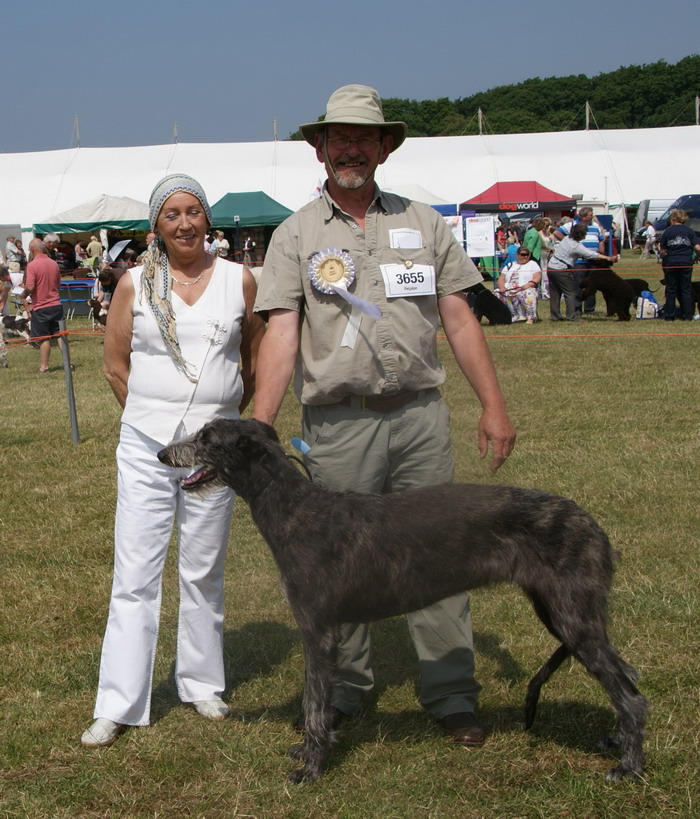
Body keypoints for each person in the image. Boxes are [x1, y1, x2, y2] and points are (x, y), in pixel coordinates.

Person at [252, 84, 516, 746]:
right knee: (336, 567)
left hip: (421, 418)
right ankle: (344, 688)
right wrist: (259, 423)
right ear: (318, 148)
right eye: (338, 138)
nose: (350, 148)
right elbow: (282, 333)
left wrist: (493, 404)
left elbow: (458, 315)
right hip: (338, 426)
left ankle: (452, 691)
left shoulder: (425, 223)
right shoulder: (294, 234)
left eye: (363, 138)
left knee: (443, 553)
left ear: (383, 148)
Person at [81, 173, 265, 748]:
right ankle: (118, 703)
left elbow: (255, 358)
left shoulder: (240, 280)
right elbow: (116, 365)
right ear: (156, 225)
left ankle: (202, 683)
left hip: (214, 456)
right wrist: (153, 423)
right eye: (171, 214)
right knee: (135, 573)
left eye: (193, 211)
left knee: (203, 568)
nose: (184, 223)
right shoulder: (134, 283)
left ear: (207, 219)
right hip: (146, 447)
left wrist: (227, 428)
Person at [547, 223, 615, 321]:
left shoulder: (566, 238)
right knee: (570, 293)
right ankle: (572, 316)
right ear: (582, 235)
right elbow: (592, 254)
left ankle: (555, 316)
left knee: (555, 293)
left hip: (551, 267)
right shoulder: (576, 246)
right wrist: (609, 258)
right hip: (561, 269)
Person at [21, 238, 67, 373]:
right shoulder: (54, 263)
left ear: (32, 250)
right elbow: (58, 284)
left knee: (43, 337)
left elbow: (30, 286)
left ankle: (44, 367)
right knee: (59, 334)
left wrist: (23, 294)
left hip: (41, 306)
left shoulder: (32, 265)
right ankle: (68, 364)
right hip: (56, 304)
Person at [553, 207, 605, 316]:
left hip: (593, 261)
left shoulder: (596, 226)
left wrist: (602, 251)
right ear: (583, 216)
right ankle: (576, 309)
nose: (592, 216)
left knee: (592, 285)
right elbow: (557, 233)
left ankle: (590, 309)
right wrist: (569, 242)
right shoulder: (571, 225)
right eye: (590, 215)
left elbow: (601, 240)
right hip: (579, 261)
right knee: (577, 285)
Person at [659, 208, 700, 321]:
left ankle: (669, 316)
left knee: (671, 289)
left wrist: (665, 254)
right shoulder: (689, 231)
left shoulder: (667, 231)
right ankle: (687, 316)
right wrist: (697, 257)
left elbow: (662, 250)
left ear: (673, 218)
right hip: (686, 263)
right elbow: (698, 247)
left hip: (671, 262)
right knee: (685, 290)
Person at [494, 246, 542, 323]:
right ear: (517, 255)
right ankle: (504, 317)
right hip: (510, 287)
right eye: (523, 254)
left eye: (527, 254)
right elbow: (501, 278)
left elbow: (537, 277)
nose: (525, 256)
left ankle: (531, 318)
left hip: (525, 287)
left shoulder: (532, 264)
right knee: (496, 293)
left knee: (529, 293)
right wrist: (502, 288)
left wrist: (529, 284)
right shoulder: (510, 265)